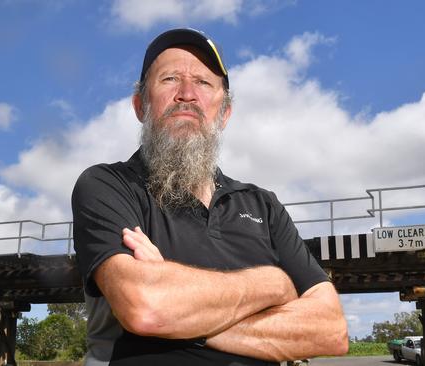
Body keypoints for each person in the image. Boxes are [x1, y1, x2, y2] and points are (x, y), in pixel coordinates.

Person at [72, 28, 348, 366]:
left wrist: (181, 311)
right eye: (170, 79)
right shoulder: (108, 185)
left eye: (204, 83)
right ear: (140, 105)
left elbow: (330, 331)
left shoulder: (263, 205)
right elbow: (146, 308)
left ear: (225, 113)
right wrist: (273, 283)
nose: (187, 94)